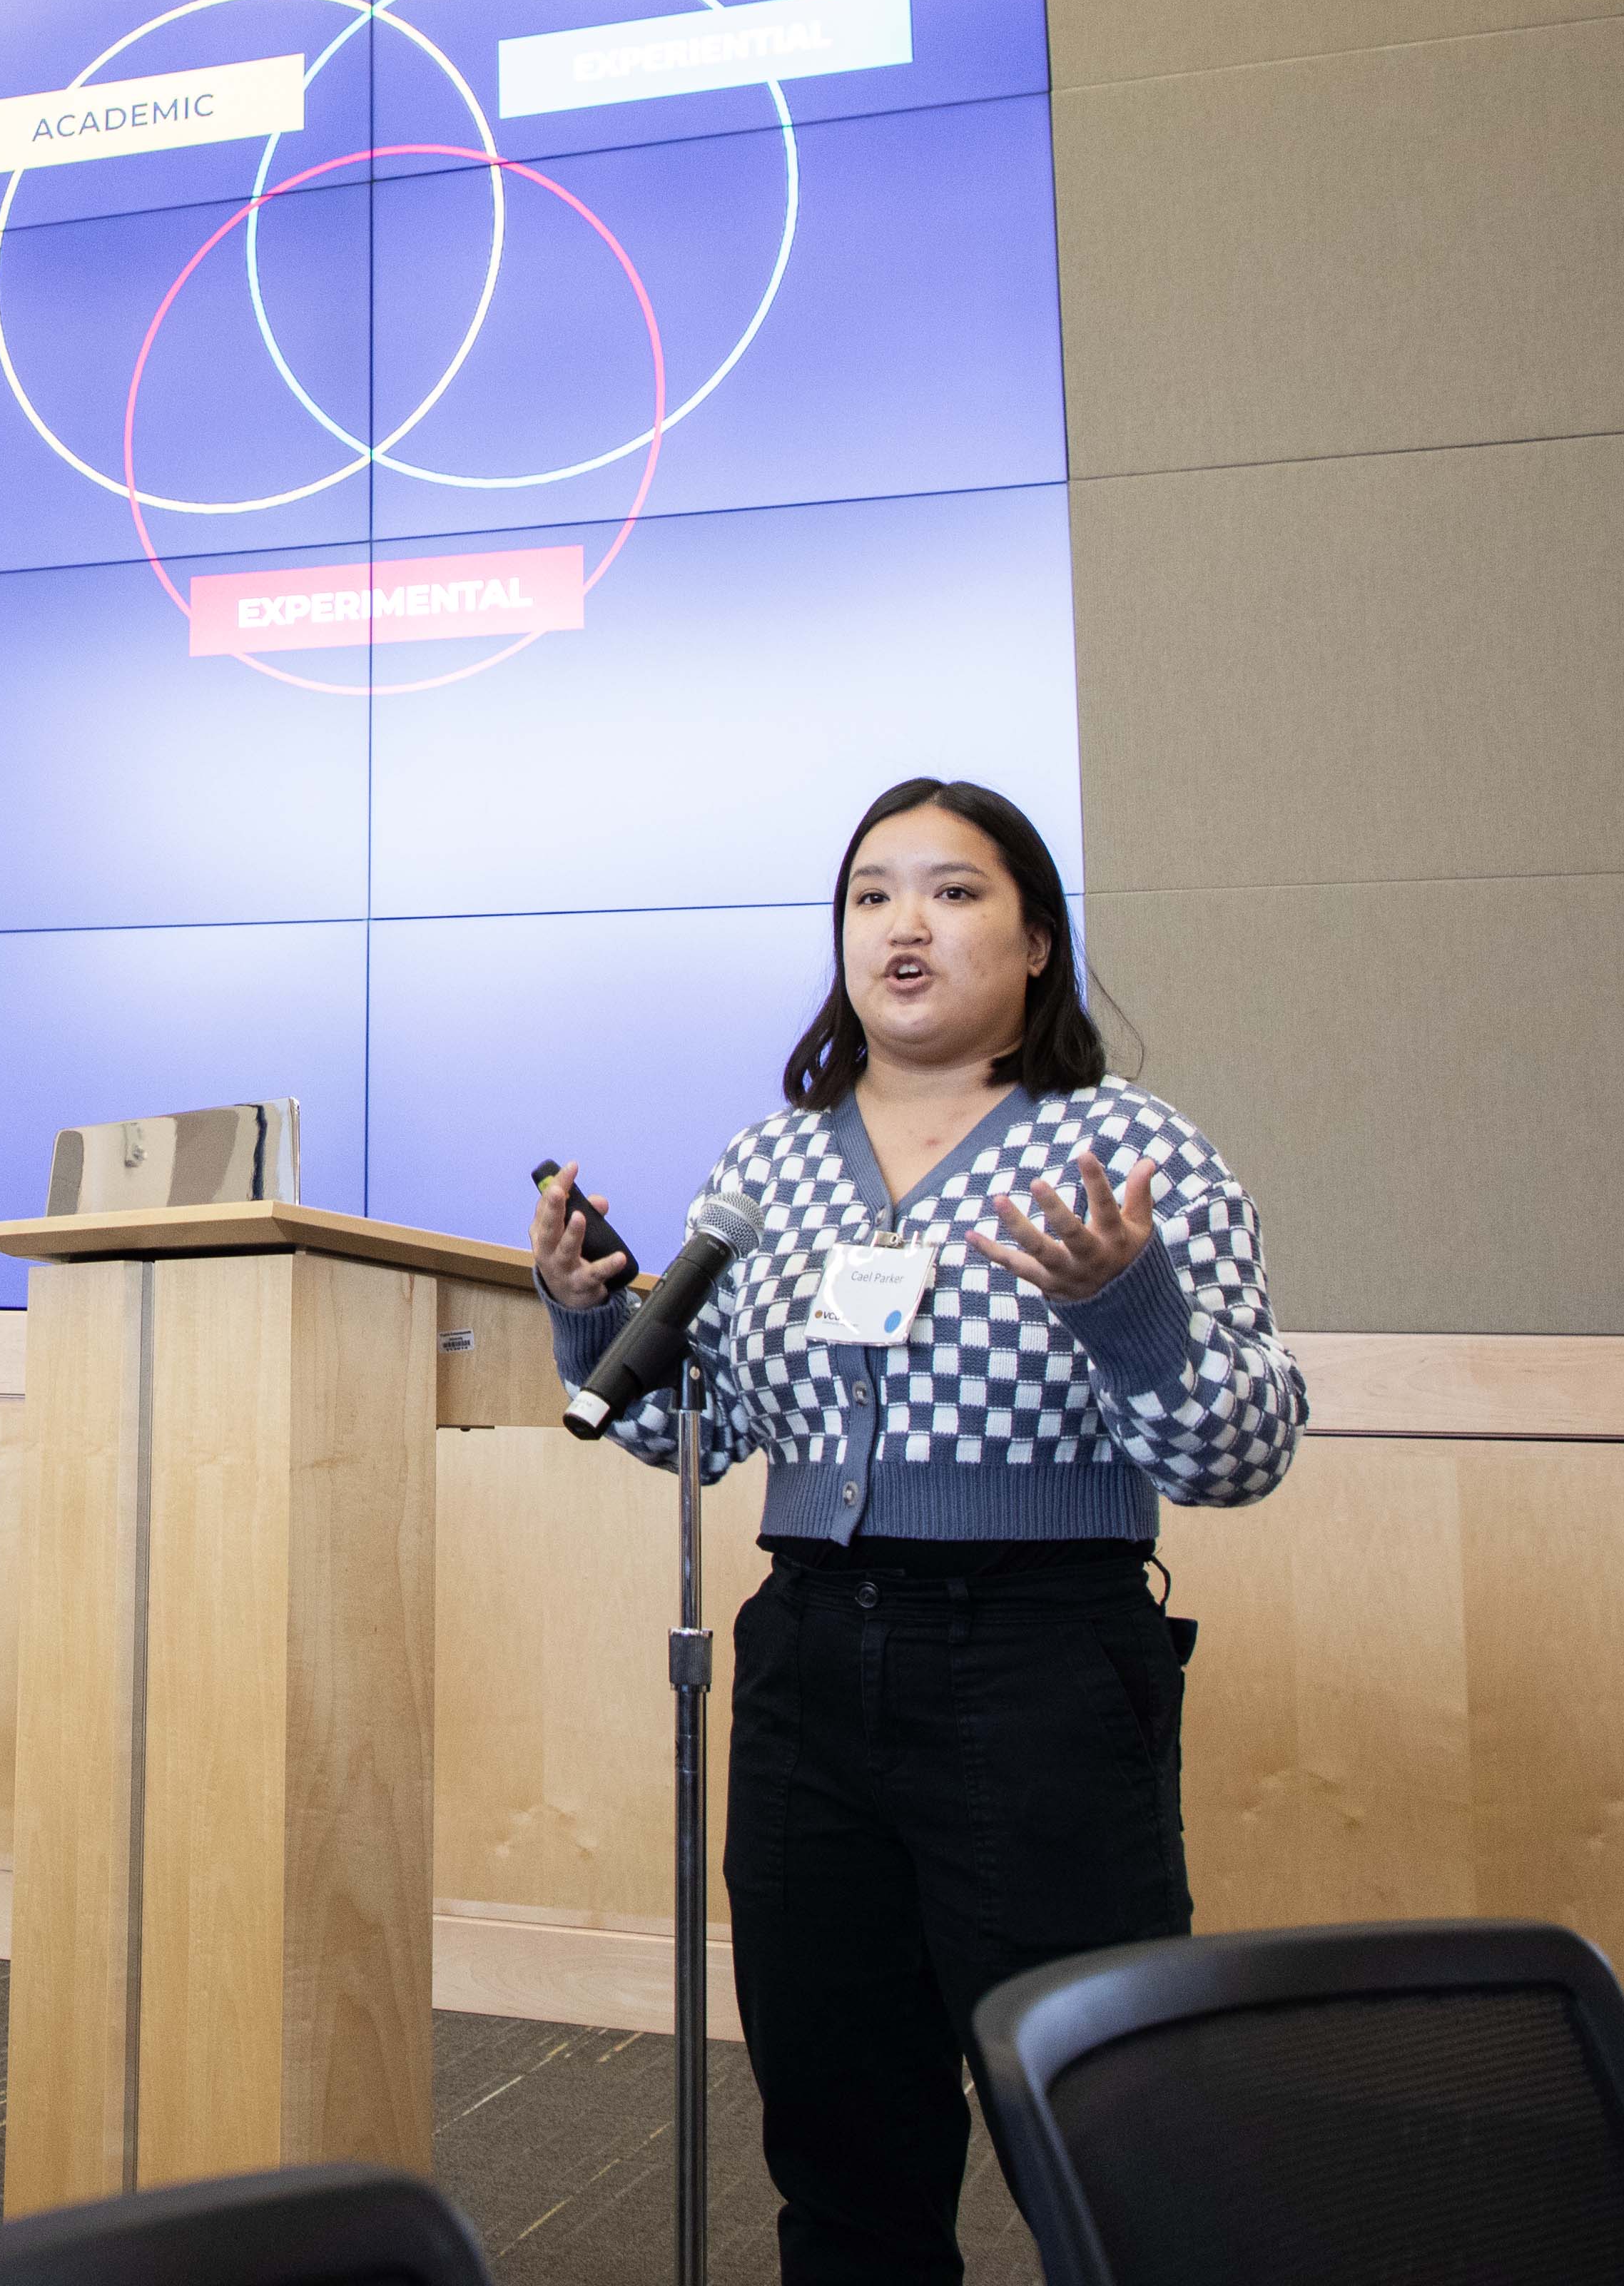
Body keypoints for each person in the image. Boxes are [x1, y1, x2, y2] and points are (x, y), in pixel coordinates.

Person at [532, 776, 1304, 2286]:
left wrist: (1125, 1307)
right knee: (841, 2139)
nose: (906, 921)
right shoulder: (769, 1165)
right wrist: (589, 1322)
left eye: (954, 891)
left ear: (1033, 942)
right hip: (813, 1656)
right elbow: (704, 1430)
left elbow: (1242, 1449)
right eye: (873, 891)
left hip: (1040, 1662)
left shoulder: (1131, 1151)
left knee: (1104, 2124)